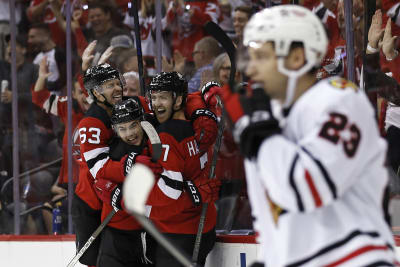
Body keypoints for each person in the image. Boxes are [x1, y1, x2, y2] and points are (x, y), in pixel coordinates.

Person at [213, 5, 398, 266]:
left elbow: (307, 188)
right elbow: (276, 213)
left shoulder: (339, 100)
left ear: (297, 58)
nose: (251, 70)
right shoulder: (268, 117)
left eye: (262, 58)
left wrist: (258, 132)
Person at [147, 71, 221, 267]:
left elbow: (168, 192)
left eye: (162, 97)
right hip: (203, 225)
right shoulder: (197, 125)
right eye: (153, 97)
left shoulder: (165, 136)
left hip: (175, 233)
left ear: (179, 100)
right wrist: (202, 98)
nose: (156, 104)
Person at [94, 98, 159, 267]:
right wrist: (114, 194)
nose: (129, 133)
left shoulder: (156, 143)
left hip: (150, 234)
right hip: (116, 234)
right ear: (115, 130)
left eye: (133, 125)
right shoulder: (116, 152)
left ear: (142, 123)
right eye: (122, 128)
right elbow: (99, 182)